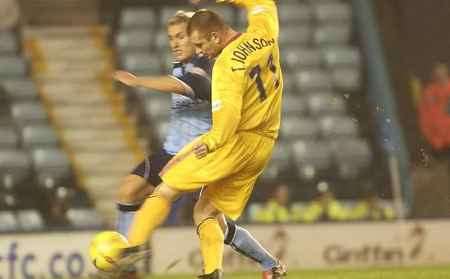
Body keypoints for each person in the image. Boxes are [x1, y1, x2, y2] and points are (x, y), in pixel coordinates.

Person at [123, 0, 285, 278]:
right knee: (206, 211)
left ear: (215, 36)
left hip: (236, 141)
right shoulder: (263, 32)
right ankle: (213, 273)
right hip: (264, 144)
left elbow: (225, 127)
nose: (199, 52)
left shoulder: (225, 67)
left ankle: (128, 254)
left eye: (200, 45)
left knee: (165, 187)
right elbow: (261, 1)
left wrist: (202, 146)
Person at [418, 63, 450, 151]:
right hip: (440, 145)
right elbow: (425, 121)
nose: (441, 78)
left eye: (443, 75)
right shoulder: (429, 93)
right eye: (438, 76)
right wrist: (435, 140)